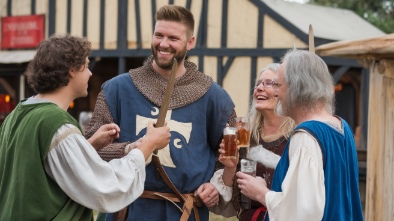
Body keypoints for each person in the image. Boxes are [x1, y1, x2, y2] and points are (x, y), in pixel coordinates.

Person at [85, 5, 236, 221]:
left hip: (186, 212)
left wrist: (214, 185)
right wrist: (131, 148)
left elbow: (230, 157)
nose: (163, 44)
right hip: (129, 212)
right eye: (159, 35)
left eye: (173, 38)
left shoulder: (215, 98)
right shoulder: (117, 89)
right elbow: (91, 150)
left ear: (190, 42)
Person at [0, 34, 171, 221]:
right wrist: (148, 145)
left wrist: (88, 146)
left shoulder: (18, 114)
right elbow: (104, 188)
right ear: (72, 70)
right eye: (87, 66)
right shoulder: (55, 123)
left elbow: (40, 169)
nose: (90, 73)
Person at [236, 49, 364, 221]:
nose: (275, 93)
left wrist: (262, 193)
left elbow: (303, 212)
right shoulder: (342, 127)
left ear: (296, 88)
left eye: (279, 86)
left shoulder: (306, 136)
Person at [209, 64, 295, 220]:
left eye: (268, 83)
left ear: (285, 91)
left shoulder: (298, 137)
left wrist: (262, 194)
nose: (259, 88)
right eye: (258, 84)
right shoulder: (245, 135)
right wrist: (230, 166)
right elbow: (230, 206)